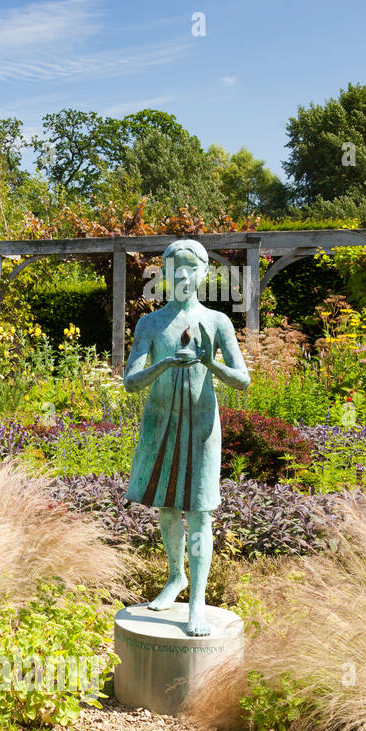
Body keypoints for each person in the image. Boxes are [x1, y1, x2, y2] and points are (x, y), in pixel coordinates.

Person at [122, 239, 251, 635]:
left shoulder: (217, 322)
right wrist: (164, 362)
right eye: (175, 269)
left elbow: (243, 380)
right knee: (166, 507)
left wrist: (210, 362)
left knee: (199, 512)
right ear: (164, 274)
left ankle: (197, 602)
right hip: (161, 425)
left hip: (201, 428)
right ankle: (175, 577)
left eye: (191, 268)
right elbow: (130, 382)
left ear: (203, 274)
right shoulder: (151, 324)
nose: (183, 276)